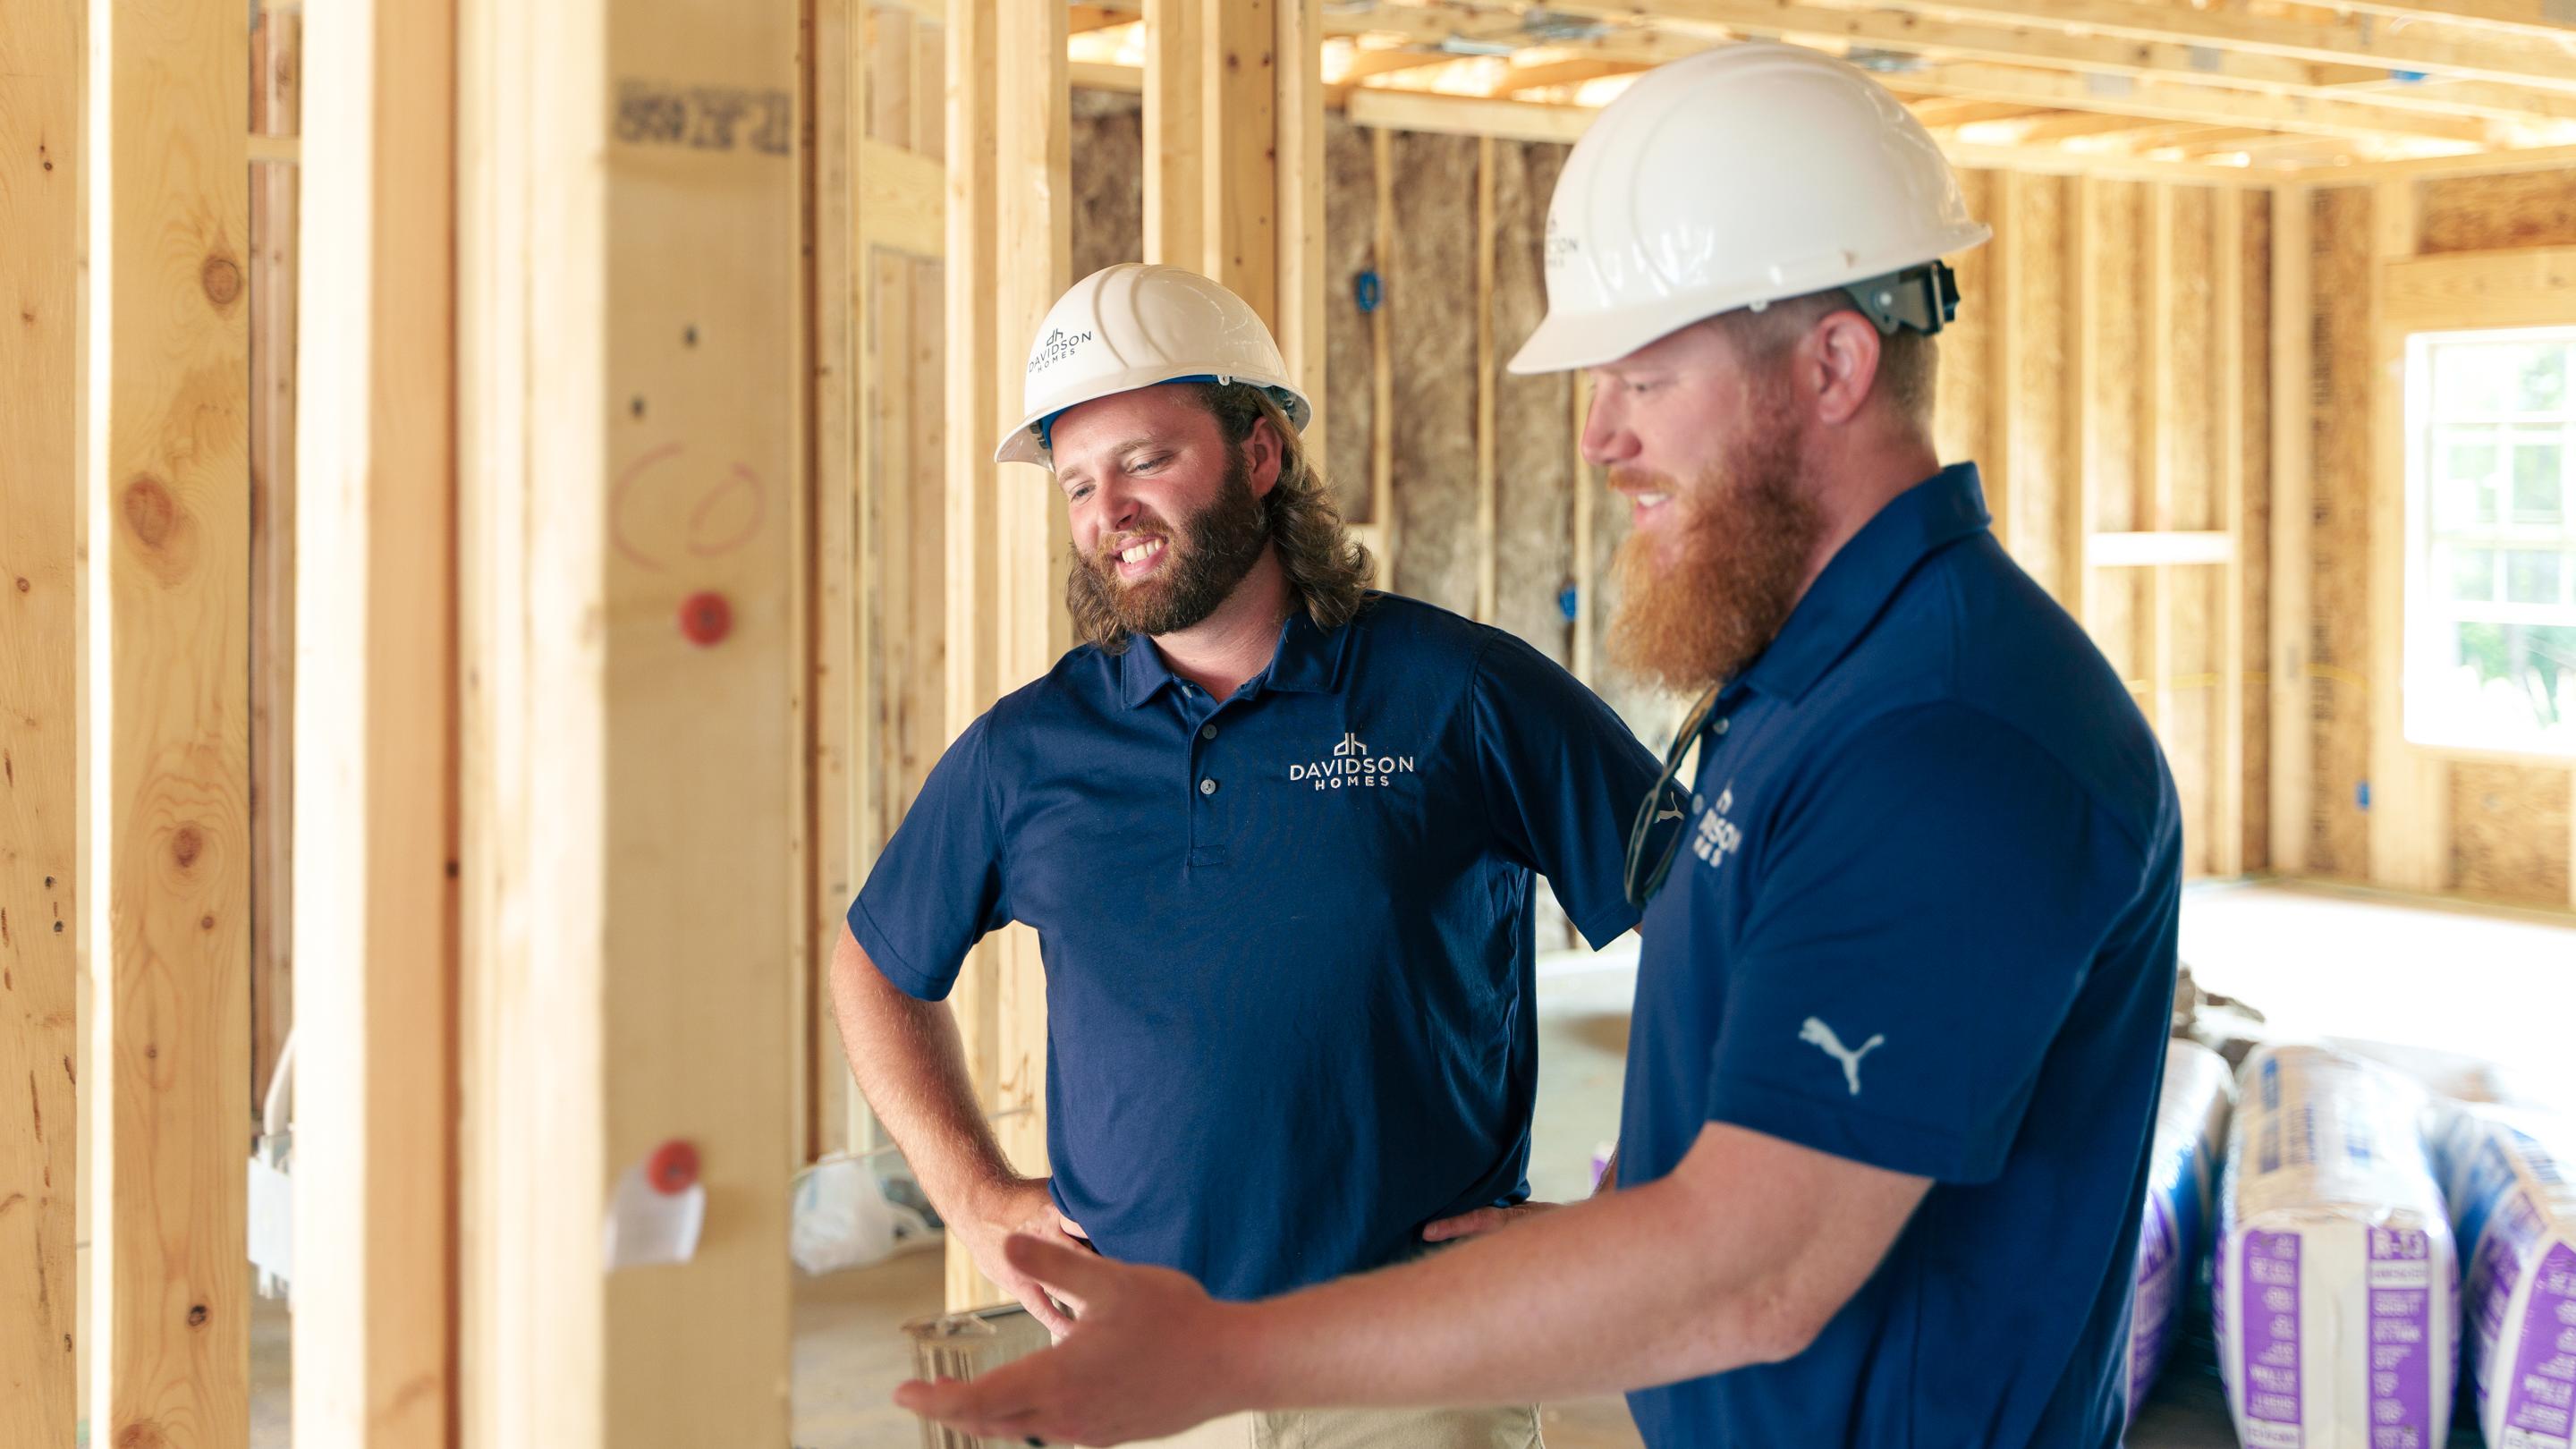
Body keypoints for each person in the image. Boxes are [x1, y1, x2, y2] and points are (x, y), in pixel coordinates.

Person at [897, 41, 2182, 1449]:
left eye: (1644, 375)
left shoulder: (1946, 738)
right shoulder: (1808, 687)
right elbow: (1729, 1081)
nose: (1599, 438)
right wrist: (1636, 1220)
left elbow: (1751, 1272)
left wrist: (1229, 1354)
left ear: (1833, 361)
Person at [831, 261, 1663, 1448]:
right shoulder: (1029, 753)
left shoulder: (1459, 694)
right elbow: (875, 968)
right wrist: (970, 1195)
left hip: (1415, 1363)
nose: (1106, 510)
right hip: (1131, 1365)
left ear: (1261, 454)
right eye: (1076, 483)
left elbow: (1716, 922)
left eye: (1145, 461)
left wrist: (1629, 1204)